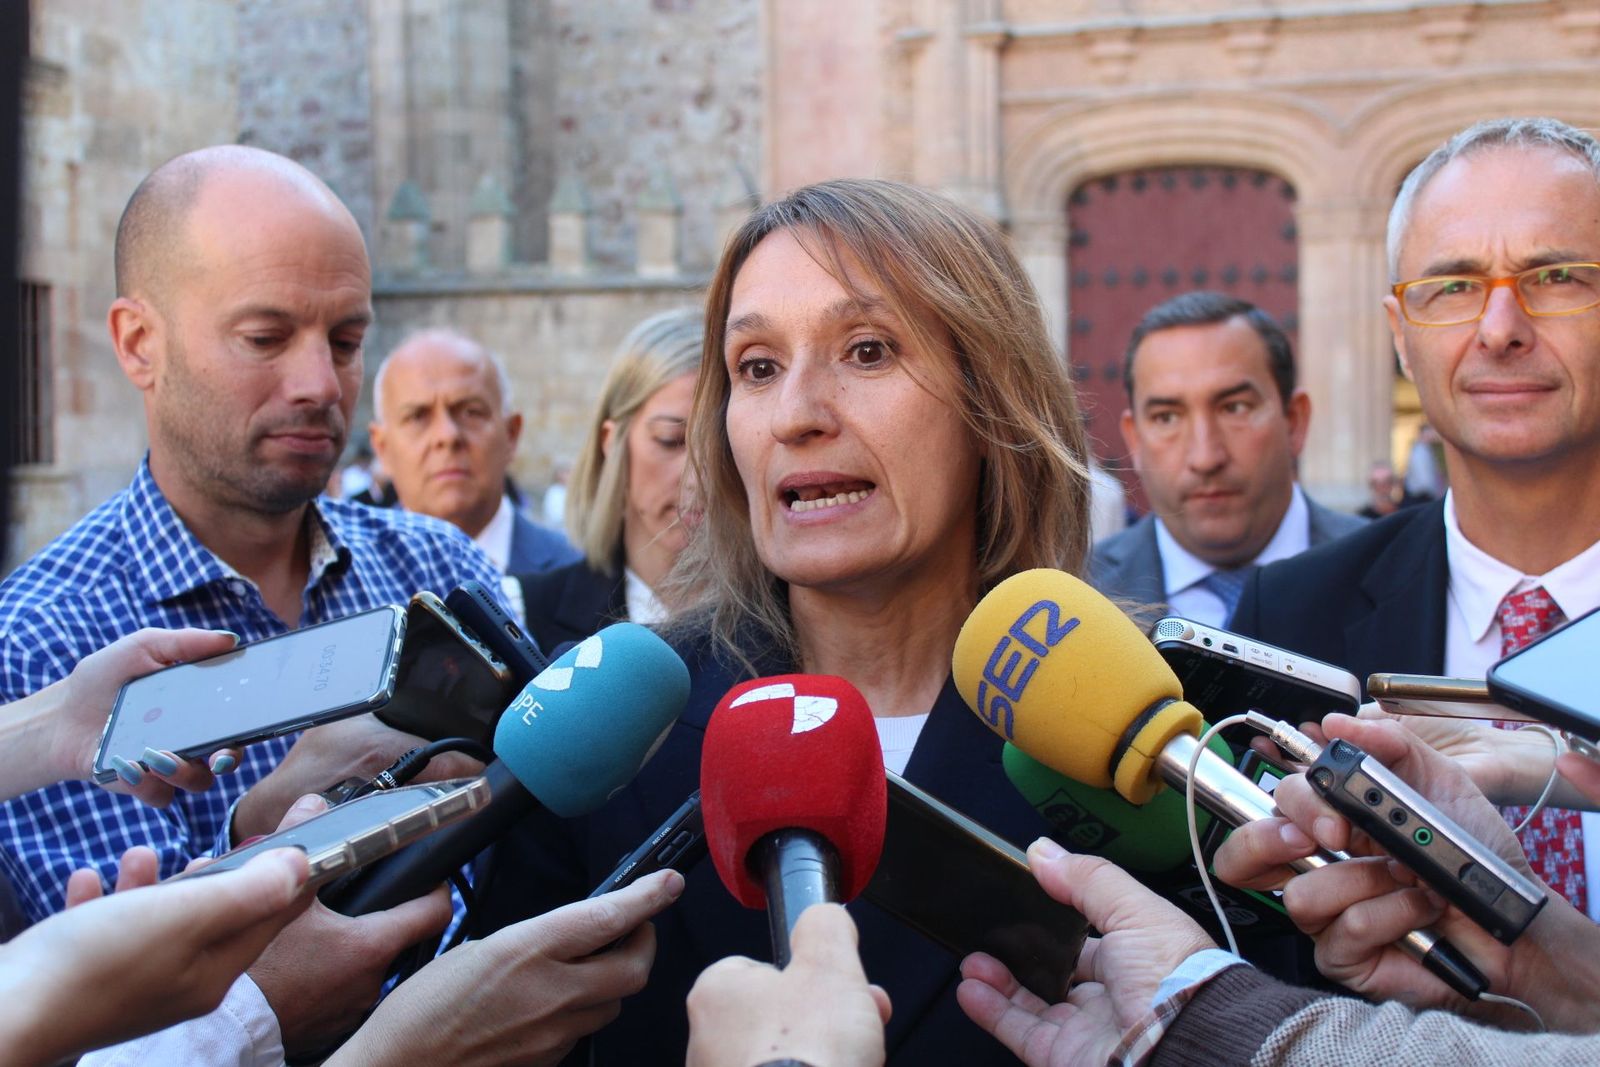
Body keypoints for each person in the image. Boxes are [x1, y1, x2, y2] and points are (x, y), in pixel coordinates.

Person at [476, 177, 1092, 1064]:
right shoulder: (614, 736)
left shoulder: (1147, 752)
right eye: (756, 368)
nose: (798, 415)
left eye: (868, 350)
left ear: (992, 393)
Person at [0, 144, 506, 1053]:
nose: (319, 384)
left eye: (346, 341)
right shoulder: (37, 644)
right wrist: (261, 820)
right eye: (266, 338)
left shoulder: (441, 568)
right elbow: (100, 1027)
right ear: (137, 343)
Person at [1231, 117, 1600, 918]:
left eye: (1558, 276)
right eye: (1454, 287)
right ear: (1401, 337)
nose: (1500, 329)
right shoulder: (1290, 617)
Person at [1091, 292, 1364, 627]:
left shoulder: (1396, 572)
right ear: (1134, 440)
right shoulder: (1084, 599)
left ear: (1294, 421)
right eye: (1167, 418)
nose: (1205, 458)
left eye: (1235, 408)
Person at [515, 307, 701, 651]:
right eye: (670, 440)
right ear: (611, 443)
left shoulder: (792, 617)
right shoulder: (526, 613)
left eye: (724, 445)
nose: (699, 476)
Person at [369, 328, 579, 587]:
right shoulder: (345, 586)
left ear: (511, 434)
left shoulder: (583, 578)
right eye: (417, 417)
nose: (446, 436)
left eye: (471, 412)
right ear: (382, 448)